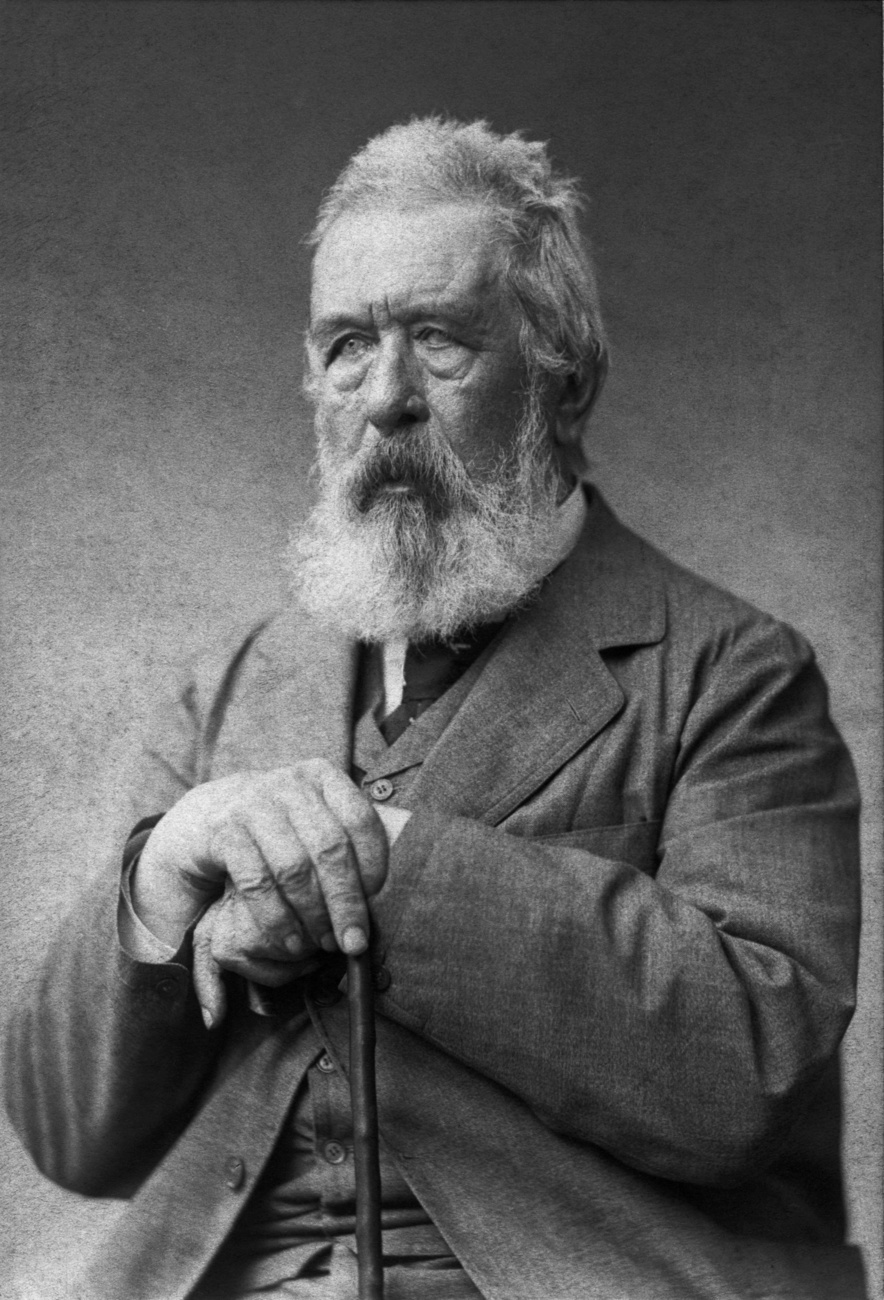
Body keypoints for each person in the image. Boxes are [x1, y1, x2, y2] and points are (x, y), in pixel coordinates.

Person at [5, 118, 866, 1300]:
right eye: (347, 347)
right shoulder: (234, 692)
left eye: (439, 340)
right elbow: (67, 1131)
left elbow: (747, 1068)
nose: (386, 398)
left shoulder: (730, 672)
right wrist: (163, 875)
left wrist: (375, 858)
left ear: (564, 380)